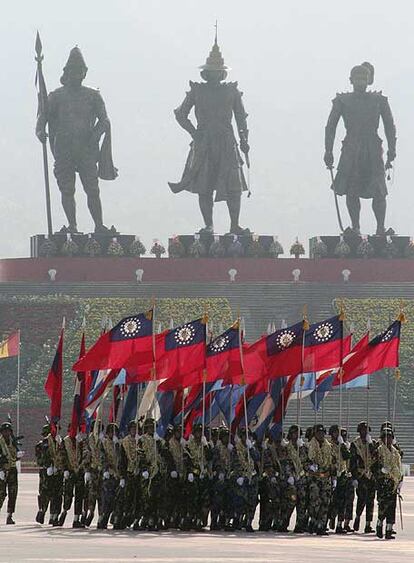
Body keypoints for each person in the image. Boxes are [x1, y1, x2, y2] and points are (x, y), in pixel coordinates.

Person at [169, 34, 250, 235]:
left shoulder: (232, 91)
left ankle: (234, 225)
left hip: (226, 141)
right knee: (204, 184)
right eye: (211, 72)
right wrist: (195, 133)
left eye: (218, 72)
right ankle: (208, 225)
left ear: (223, 74)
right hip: (204, 141)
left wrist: (244, 139)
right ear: (205, 74)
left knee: (233, 185)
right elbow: (180, 114)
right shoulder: (197, 91)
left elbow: (241, 118)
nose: (215, 75)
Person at [35, 46, 117, 234]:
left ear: (84, 72)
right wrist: (40, 133)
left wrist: (94, 136)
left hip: (86, 148)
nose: (76, 74)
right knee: (67, 189)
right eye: (73, 70)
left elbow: (104, 120)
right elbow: (42, 119)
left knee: (92, 189)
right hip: (64, 149)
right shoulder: (56, 96)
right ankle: (72, 225)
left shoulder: (93, 96)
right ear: (67, 72)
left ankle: (99, 225)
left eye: (80, 70)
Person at [324, 64, 396, 235]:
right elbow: (330, 126)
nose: (360, 82)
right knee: (352, 188)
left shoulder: (379, 100)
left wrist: (392, 149)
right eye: (357, 78)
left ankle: (380, 228)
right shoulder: (342, 101)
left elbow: (389, 126)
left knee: (379, 189)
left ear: (369, 80)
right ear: (350, 80)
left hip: (373, 146)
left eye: (364, 78)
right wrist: (328, 151)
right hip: (351, 148)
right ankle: (355, 226)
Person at [373, 427, 403, 540]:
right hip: (383, 481)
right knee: (383, 506)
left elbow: (399, 466)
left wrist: (400, 480)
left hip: (393, 482)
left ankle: (389, 529)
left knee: (392, 507)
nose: (388, 439)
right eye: (386, 437)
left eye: (390, 437)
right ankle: (380, 524)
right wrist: (380, 470)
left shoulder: (396, 452)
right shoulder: (379, 450)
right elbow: (373, 465)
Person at [307, 424, 334, 536]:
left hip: (326, 477)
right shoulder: (310, 445)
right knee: (315, 502)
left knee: (325, 502)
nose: (321, 435)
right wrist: (310, 467)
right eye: (318, 433)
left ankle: (321, 525)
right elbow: (306, 461)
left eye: (322, 433)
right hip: (315, 478)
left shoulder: (328, 446)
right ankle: (313, 521)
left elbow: (333, 461)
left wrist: (332, 474)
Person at [350, 421, 376, 533]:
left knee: (371, 500)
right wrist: (354, 477)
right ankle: (358, 517)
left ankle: (368, 524)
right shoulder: (355, 444)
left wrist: (371, 445)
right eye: (362, 430)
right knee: (362, 498)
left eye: (366, 430)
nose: (364, 432)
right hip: (361, 475)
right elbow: (352, 462)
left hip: (370, 475)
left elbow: (375, 456)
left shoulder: (372, 443)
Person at [58, 426, 86, 527]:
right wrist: (65, 469)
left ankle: (76, 519)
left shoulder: (80, 442)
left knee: (79, 496)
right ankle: (64, 513)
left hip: (79, 472)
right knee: (68, 495)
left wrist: (82, 444)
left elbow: (85, 455)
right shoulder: (65, 442)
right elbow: (62, 455)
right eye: (72, 431)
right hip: (70, 471)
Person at [327, 425, 351, 534]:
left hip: (343, 475)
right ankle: (330, 519)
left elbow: (347, 456)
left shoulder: (342, 445)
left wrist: (343, 445)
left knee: (343, 501)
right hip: (333, 475)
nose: (338, 435)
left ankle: (339, 524)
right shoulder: (329, 445)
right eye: (336, 433)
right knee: (332, 502)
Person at [0, 421, 23, 524]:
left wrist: (18, 456)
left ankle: (10, 515)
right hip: (2, 471)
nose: (6, 433)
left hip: (13, 470)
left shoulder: (13, 442)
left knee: (13, 494)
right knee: (1, 494)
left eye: (8, 431)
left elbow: (14, 457)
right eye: (5, 431)